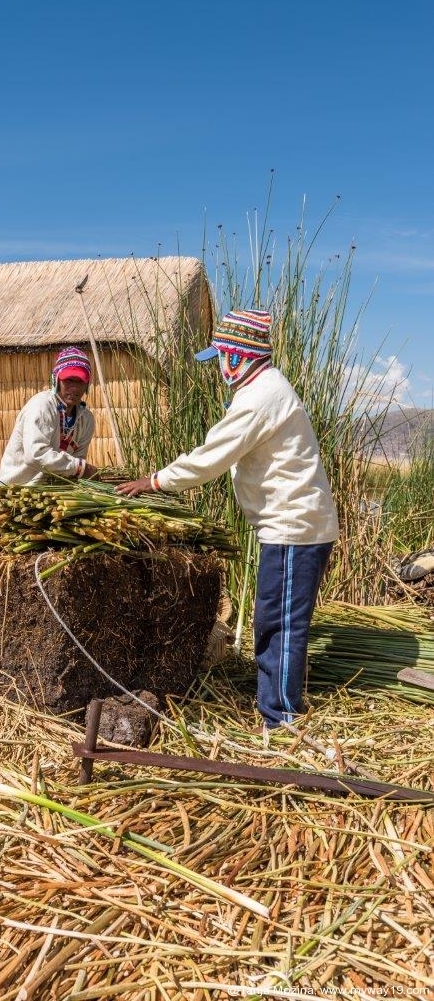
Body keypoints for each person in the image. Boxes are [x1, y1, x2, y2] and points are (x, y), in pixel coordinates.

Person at [116, 309, 339, 731]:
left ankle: (282, 718)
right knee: (274, 619)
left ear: (237, 356)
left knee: (280, 624)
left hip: (295, 528)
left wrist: (156, 481)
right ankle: (278, 705)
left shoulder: (261, 397)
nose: (219, 367)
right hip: (291, 526)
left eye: (220, 356)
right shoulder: (261, 390)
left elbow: (212, 456)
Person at [0, 346, 98, 485]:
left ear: (87, 384)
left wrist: (80, 470)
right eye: (68, 380)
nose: (74, 387)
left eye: (80, 381)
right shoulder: (41, 406)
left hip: (51, 491)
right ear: (56, 380)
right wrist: (80, 468)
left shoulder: (86, 419)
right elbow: (35, 454)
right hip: (15, 488)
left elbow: (77, 465)